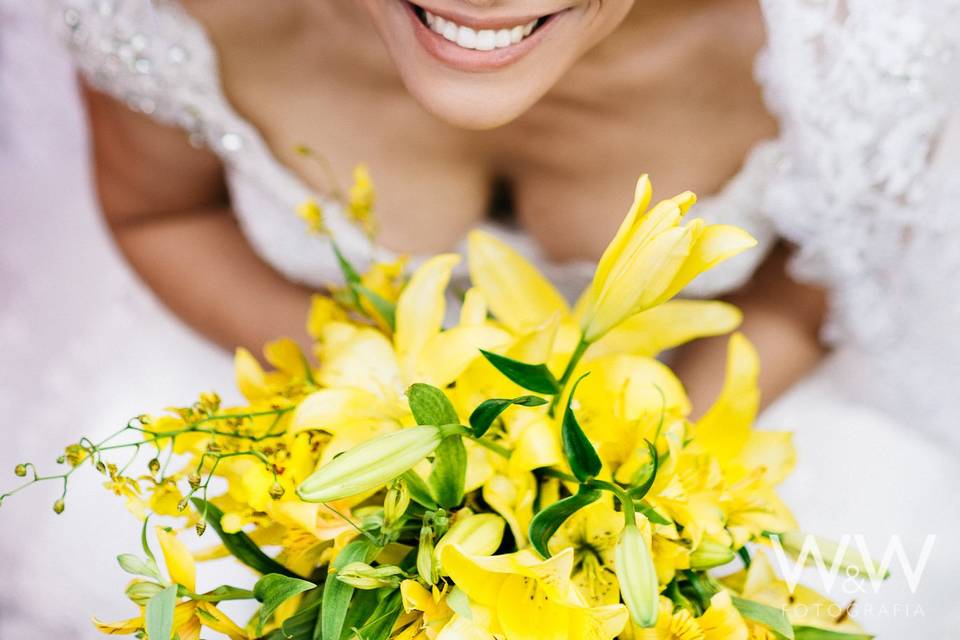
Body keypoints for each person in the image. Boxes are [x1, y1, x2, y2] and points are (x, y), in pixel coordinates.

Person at [4, 0, 959, 635]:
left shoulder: (854, 32)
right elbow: (163, 214)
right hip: (292, 376)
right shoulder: (173, 8)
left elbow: (817, 278)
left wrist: (622, 474)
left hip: (716, 409)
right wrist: (413, 416)